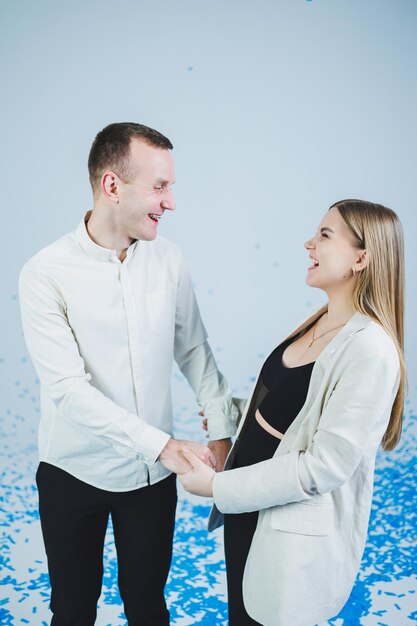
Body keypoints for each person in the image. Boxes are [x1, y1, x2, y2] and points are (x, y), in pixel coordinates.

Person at [18, 122, 239, 626]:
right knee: (72, 610)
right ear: (112, 186)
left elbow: (195, 351)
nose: (172, 202)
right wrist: (165, 446)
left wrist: (222, 429)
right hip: (73, 472)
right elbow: (68, 392)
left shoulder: (170, 259)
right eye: (160, 187)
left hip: (151, 483)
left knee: (147, 606)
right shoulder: (44, 273)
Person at [179, 199, 406, 626]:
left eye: (324, 235)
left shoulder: (371, 350)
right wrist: (232, 414)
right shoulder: (320, 321)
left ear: (362, 257)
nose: (308, 243)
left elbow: (323, 466)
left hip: (283, 532)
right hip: (249, 514)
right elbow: (296, 415)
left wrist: (216, 487)